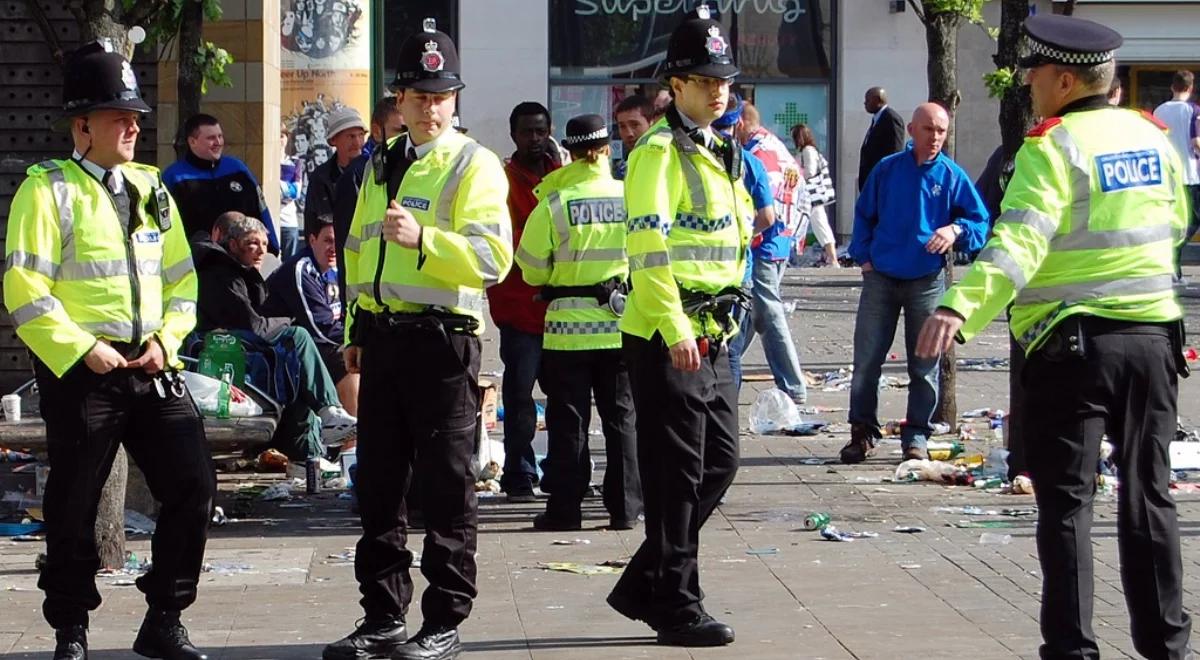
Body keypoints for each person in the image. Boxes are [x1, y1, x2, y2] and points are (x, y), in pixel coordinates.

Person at [916, 15, 1193, 659]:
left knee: (1067, 505)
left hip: (1074, 348)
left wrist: (960, 306)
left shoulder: (1052, 145)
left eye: (1035, 75)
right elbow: (1177, 220)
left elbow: (1018, 241)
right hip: (1155, 343)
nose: (1029, 86)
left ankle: (1073, 652)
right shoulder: (1154, 138)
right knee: (1149, 498)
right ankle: (1168, 648)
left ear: (1065, 79)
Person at [3, 40, 212, 660]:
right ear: (81, 126)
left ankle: (164, 618)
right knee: (74, 501)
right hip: (83, 370)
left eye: (135, 116)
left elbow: (182, 281)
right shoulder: (47, 190)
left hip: (150, 364)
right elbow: (24, 288)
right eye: (117, 116)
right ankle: (71, 628)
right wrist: (80, 347)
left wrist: (166, 342)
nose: (131, 126)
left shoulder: (151, 188)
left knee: (194, 485)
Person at [325, 18, 512, 660]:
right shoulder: (382, 163)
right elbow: (356, 252)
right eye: (418, 95)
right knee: (378, 485)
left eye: (441, 95)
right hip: (383, 341)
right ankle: (381, 616)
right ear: (397, 101)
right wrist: (354, 329)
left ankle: (443, 620)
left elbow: (494, 260)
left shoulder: (473, 164)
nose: (430, 107)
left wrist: (426, 240)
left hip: (443, 344)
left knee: (446, 486)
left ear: (454, 100)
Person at [606, 6, 748, 647]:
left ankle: (648, 582)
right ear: (676, 85)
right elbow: (650, 250)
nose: (718, 89)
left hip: (714, 328)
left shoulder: (722, 149)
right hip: (669, 331)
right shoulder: (657, 152)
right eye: (703, 79)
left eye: (724, 79)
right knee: (676, 474)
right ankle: (676, 604)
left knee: (720, 460)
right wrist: (673, 325)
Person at [514, 114, 642, 532]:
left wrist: (559, 275)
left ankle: (565, 509)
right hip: (620, 325)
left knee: (570, 422)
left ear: (568, 152)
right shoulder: (631, 198)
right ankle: (624, 509)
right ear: (607, 149)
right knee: (621, 419)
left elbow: (530, 268)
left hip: (567, 332)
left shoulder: (554, 203)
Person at [843, 103, 988, 464]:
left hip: (926, 280)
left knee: (923, 365)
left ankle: (917, 435)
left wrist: (955, 230)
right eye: (928, 129)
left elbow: (980, 223)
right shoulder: (888, 170)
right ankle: (861, 432)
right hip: (881, 277)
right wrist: (864, 258)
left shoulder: (952, 176)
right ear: (911, 130)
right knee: (866, 362)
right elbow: (864, 214)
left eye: (941, 130)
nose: (935, 137)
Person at [191, 212, 357, 461]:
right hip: (223, 349)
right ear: (233, 244)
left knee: (298, 368)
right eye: (252, 244)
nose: (260, 251)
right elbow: (254, 326)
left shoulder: (241, 270)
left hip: (242, 345)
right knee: (298, 337)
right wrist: (288, 320)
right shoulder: (221, 273)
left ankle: (314, 446)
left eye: (264, 245)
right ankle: (329, 414)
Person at [488, 101, 559, 503]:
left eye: (541, 131)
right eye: (527, 132)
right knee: (519, 398)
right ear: (513, 135)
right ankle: (519, 472)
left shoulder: (562, 177)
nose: (535, 139)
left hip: (561, 310)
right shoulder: (502, 181)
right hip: (518, 307)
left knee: (565, 398)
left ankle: (563, 471)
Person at [735, 102, 810, 404]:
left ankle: (793, 385)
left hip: (764, 242)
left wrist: (739, 237)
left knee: (766, 310)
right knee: (752, 312)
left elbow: (763, 209)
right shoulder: (776, 147)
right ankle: (726, 368)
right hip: (780, 239)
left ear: (740, 123)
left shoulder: (757, 154)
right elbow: (800, 195)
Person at [264, 214, 358, 415]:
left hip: (320, 341)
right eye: (327, 240)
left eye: (337, 240)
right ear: (312, 240)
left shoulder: (338, 268)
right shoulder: (301, 269)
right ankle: (350, 441)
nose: (333, 248)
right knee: (350, 361)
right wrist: (356, 341)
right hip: (286, 347)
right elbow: (322, 328)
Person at [163, 113, 280, 254]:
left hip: (245, 258)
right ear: (192, 141)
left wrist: (272, 247)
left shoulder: (238, 169)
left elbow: (262, 209)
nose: (218, 142)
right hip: (200, 262)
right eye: (211, 138)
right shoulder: (174, 177)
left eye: (220, 136)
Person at [332, 97, 406, 310]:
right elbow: (348, 248)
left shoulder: (413, 169)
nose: (406, 138)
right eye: (398, 131)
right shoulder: (358, 175)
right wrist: (352, 315)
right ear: (376, 131)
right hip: (370, 307)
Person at [1153, 70, 1200, 282]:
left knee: (1172, 219)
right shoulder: (1193, 110)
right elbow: (1196, 142)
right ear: (1190, 89)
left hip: (1167, 174)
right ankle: (1173, 257)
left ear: (1172, 87)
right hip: (1190, 174)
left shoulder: (1159, 110)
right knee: (1192, 221)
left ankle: (1172, 265)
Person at [305, 106, 368, 237]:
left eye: (361, 135)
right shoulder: (321, 177)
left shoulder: (375, 171)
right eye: (350, 136)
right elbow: (313, 224)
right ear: (333, 140)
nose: (357, 142)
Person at [792, 123, 839, 267]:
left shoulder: (808, 151)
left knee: (819, 224)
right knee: (816, 224)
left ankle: (832, 257)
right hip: (809, 196)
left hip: (811, 195)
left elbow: (810, 172)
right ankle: (830, 256)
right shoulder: (808, 150)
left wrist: (797, 175)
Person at [858, 86, 906, 191]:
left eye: (868, 100)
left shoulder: (891, 119)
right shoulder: (877, 119)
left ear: (878, 100)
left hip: (882, 183)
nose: (865, 103)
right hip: (871, 181)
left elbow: (895, 152)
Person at [614, 94, 653, 180]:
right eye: (622, 126)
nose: (629, 133)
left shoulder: (663, 160)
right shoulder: (621, 168)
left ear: (651, 123)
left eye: (635, 125)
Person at [280, 126, 306, 258]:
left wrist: (277, 185)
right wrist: (286, 187)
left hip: (288, 223)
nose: (279, 140)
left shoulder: (295, 162)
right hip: (269, 223)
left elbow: (295, 192)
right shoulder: (264, 163)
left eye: (282, 136)